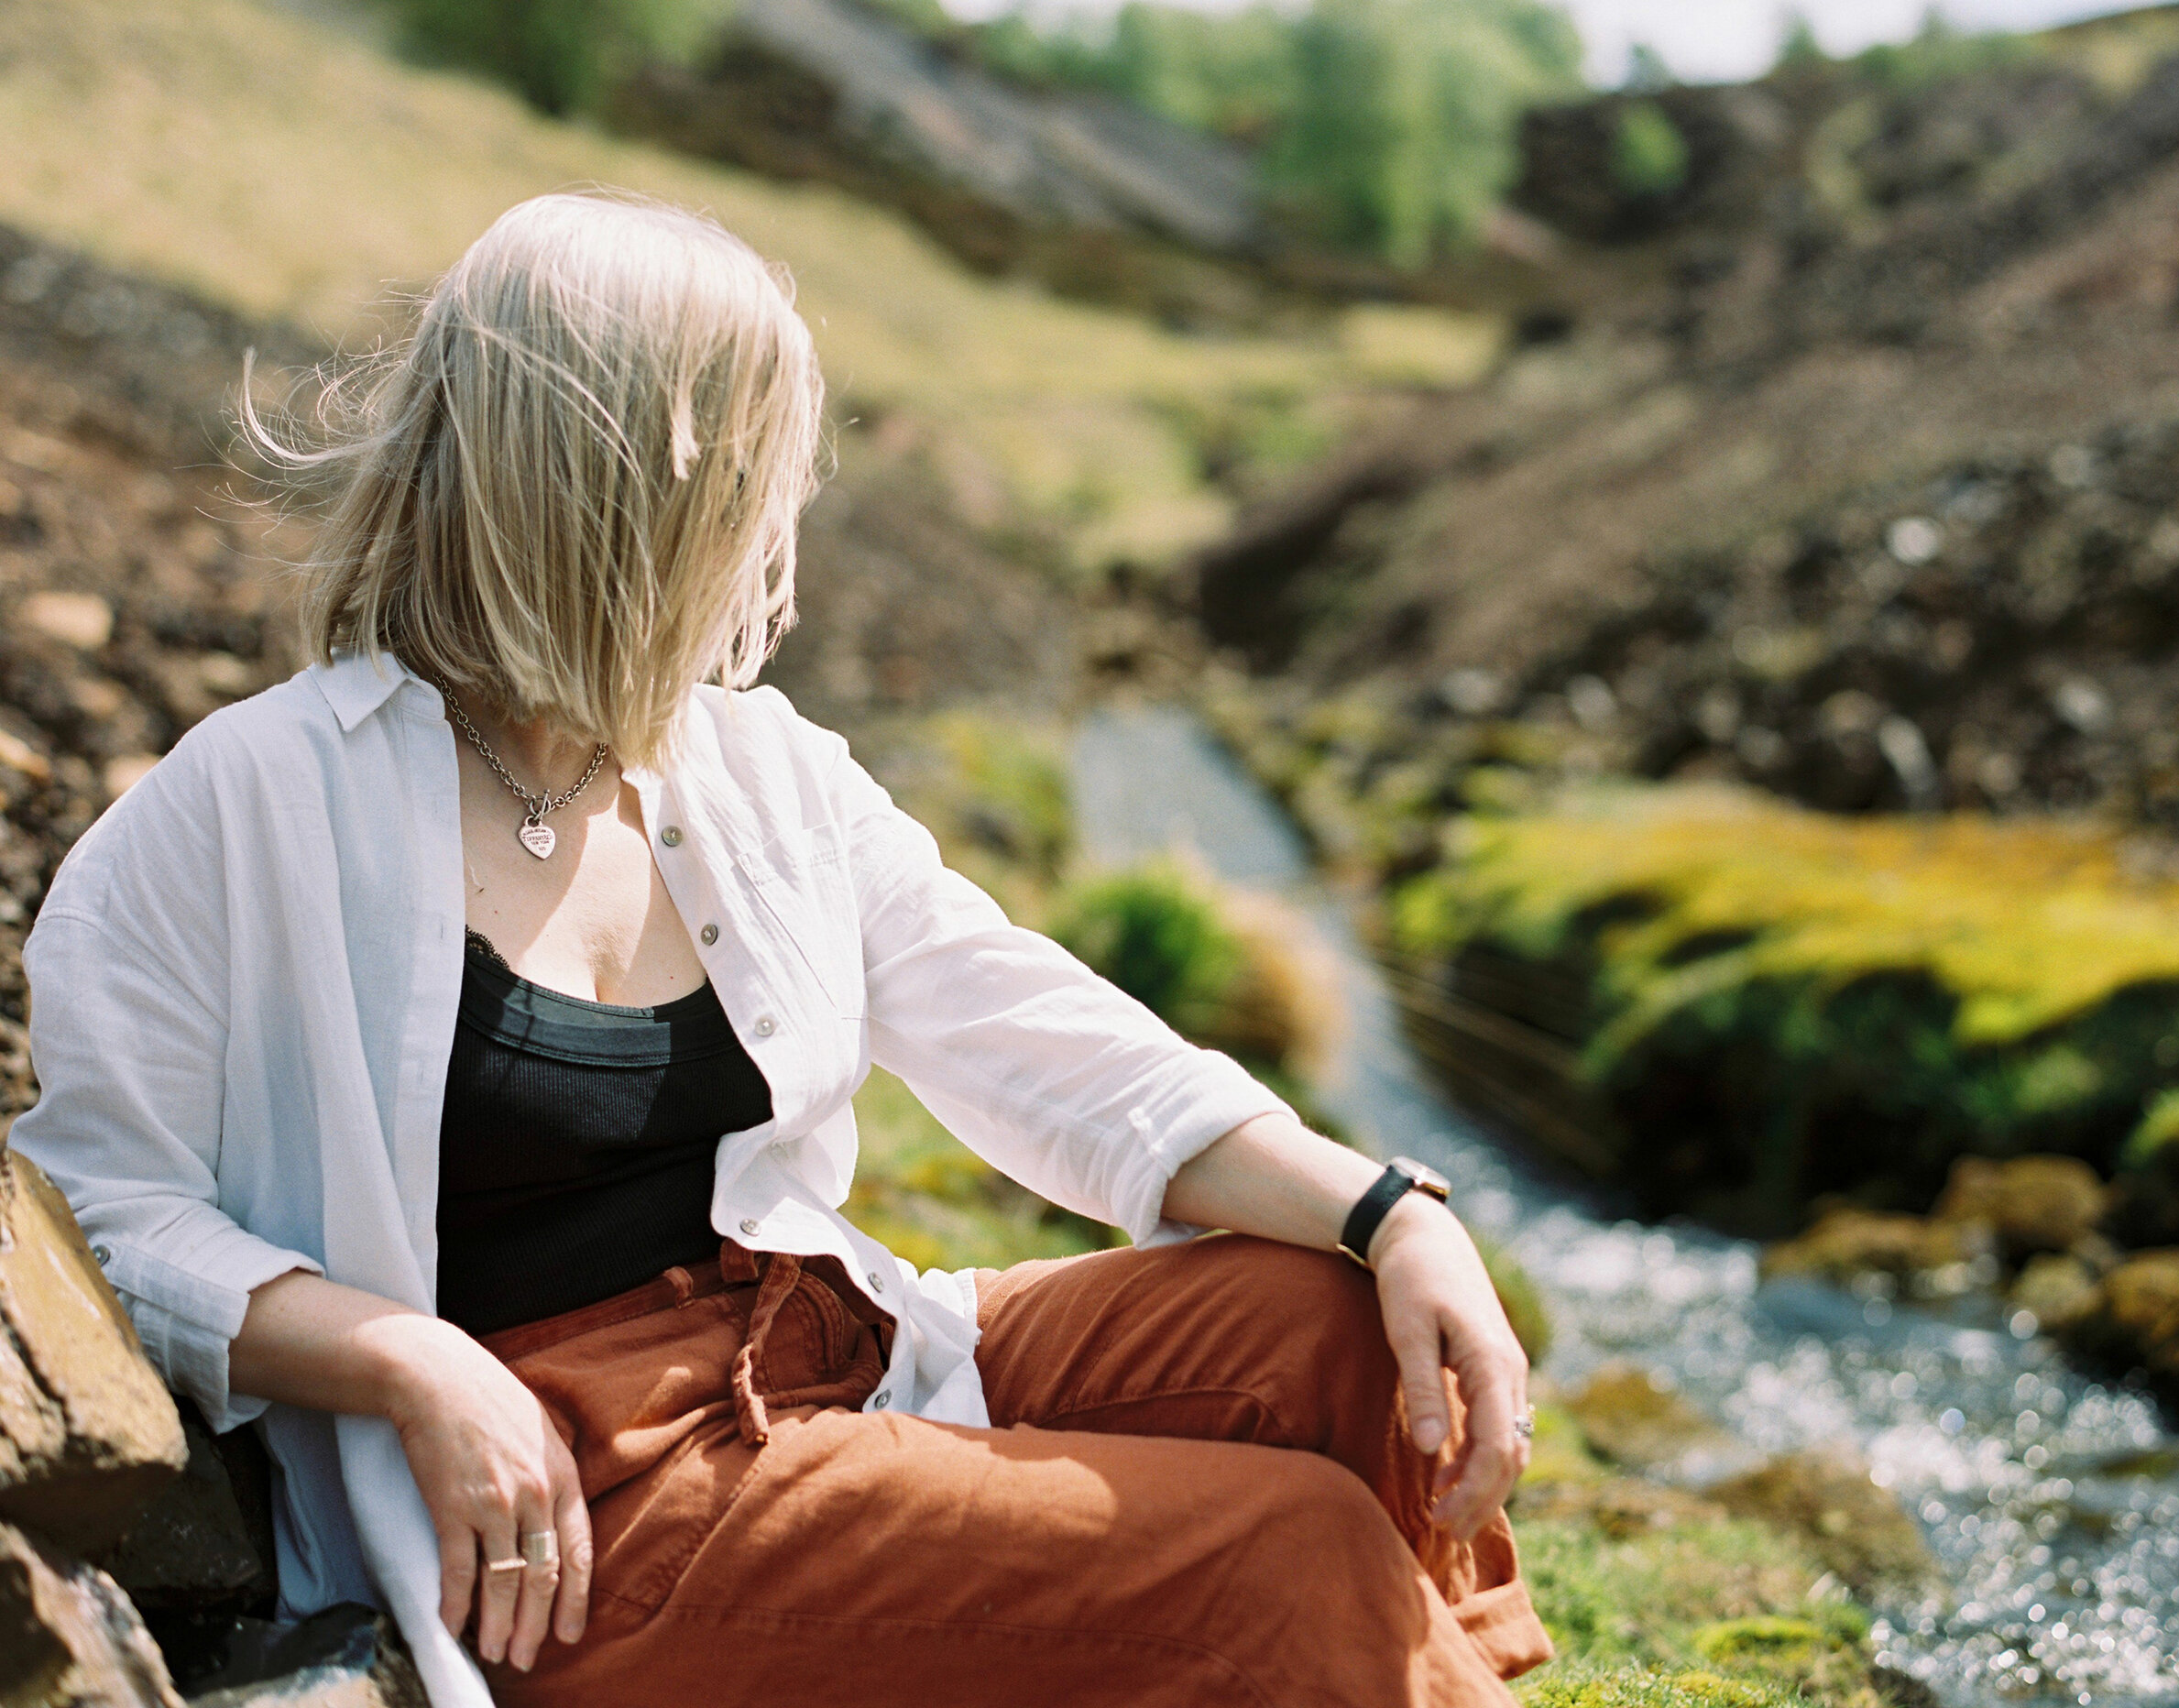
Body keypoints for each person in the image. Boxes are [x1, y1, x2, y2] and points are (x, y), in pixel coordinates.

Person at [14, 192, 1551, 1708]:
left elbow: (1042, 1039)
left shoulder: (756, 770)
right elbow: (105, 1212)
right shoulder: (246, 806)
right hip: (581, 1512)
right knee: (1275, 1562)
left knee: (1334, 1325)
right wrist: (411, 1360)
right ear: (624, 485)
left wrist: (1388, 1211)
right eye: (751, 464)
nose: (779, 513)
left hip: (834, 1353)